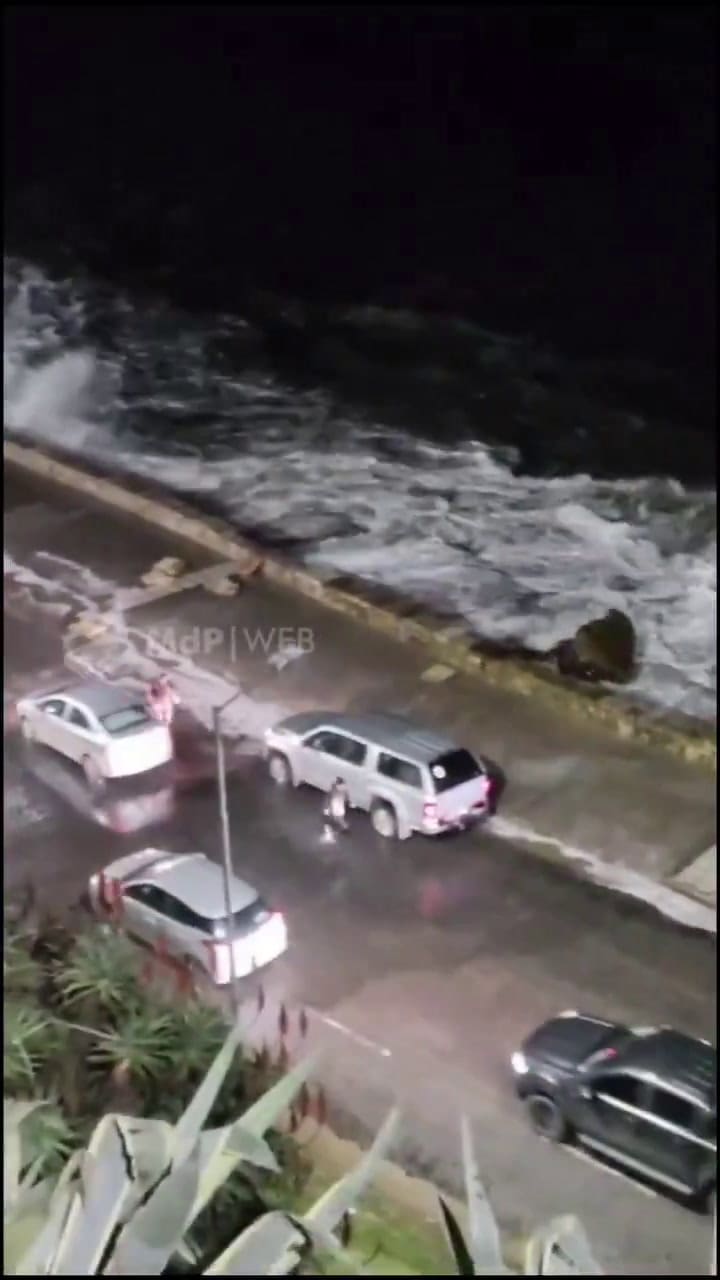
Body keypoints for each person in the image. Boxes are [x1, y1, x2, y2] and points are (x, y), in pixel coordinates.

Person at [322, 776, 349, 842]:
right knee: (338, 817)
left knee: (338, 817)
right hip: (339, 807)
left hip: (336, 806)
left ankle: (344, 827)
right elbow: (346, 799)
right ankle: (343, 827)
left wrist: (327, 806)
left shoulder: (335, 789)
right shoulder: (344, 790)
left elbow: (329, 797)